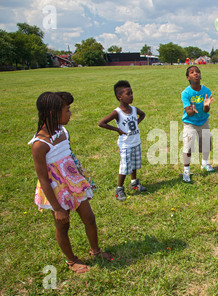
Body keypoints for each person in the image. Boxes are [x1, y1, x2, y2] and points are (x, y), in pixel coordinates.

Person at [29, 92, 113, 274]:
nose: (70, 113)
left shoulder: (63, 131)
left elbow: (68, 156)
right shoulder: (40, 145)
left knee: (89, 218)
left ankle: (95, 250)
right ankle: (71, 260)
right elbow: (43, 178)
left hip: (73, 182)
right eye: (67, 110)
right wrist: (57, 208)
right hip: (56, 188)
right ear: (52, 113)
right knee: (63, 224)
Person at [99, 80, 146, 201]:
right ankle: (119, 189)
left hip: (136, 141)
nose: (131, 96)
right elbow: (102, 123)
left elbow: (143, 114)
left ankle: (134, 183)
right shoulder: (117, 112)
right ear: (120, 97)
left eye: (132, 93)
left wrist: (137, 123)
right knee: (125, 167)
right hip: (125, 144)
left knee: (135, 164)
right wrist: (117, 129)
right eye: (128, 94)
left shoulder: (134, 109)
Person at [181, 66, 214, 182]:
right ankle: (186, 171)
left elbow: (206, 110)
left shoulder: (206, 91)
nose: (196, 74)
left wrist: (206, 106)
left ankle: (204, 164)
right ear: (188, 77)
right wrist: (191, 109)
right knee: (188, 147)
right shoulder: (185, 93)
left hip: (203, 121)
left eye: (198, 72)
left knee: (206, 144)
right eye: (192, 72)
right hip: (190, 123)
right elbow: (189, 113)